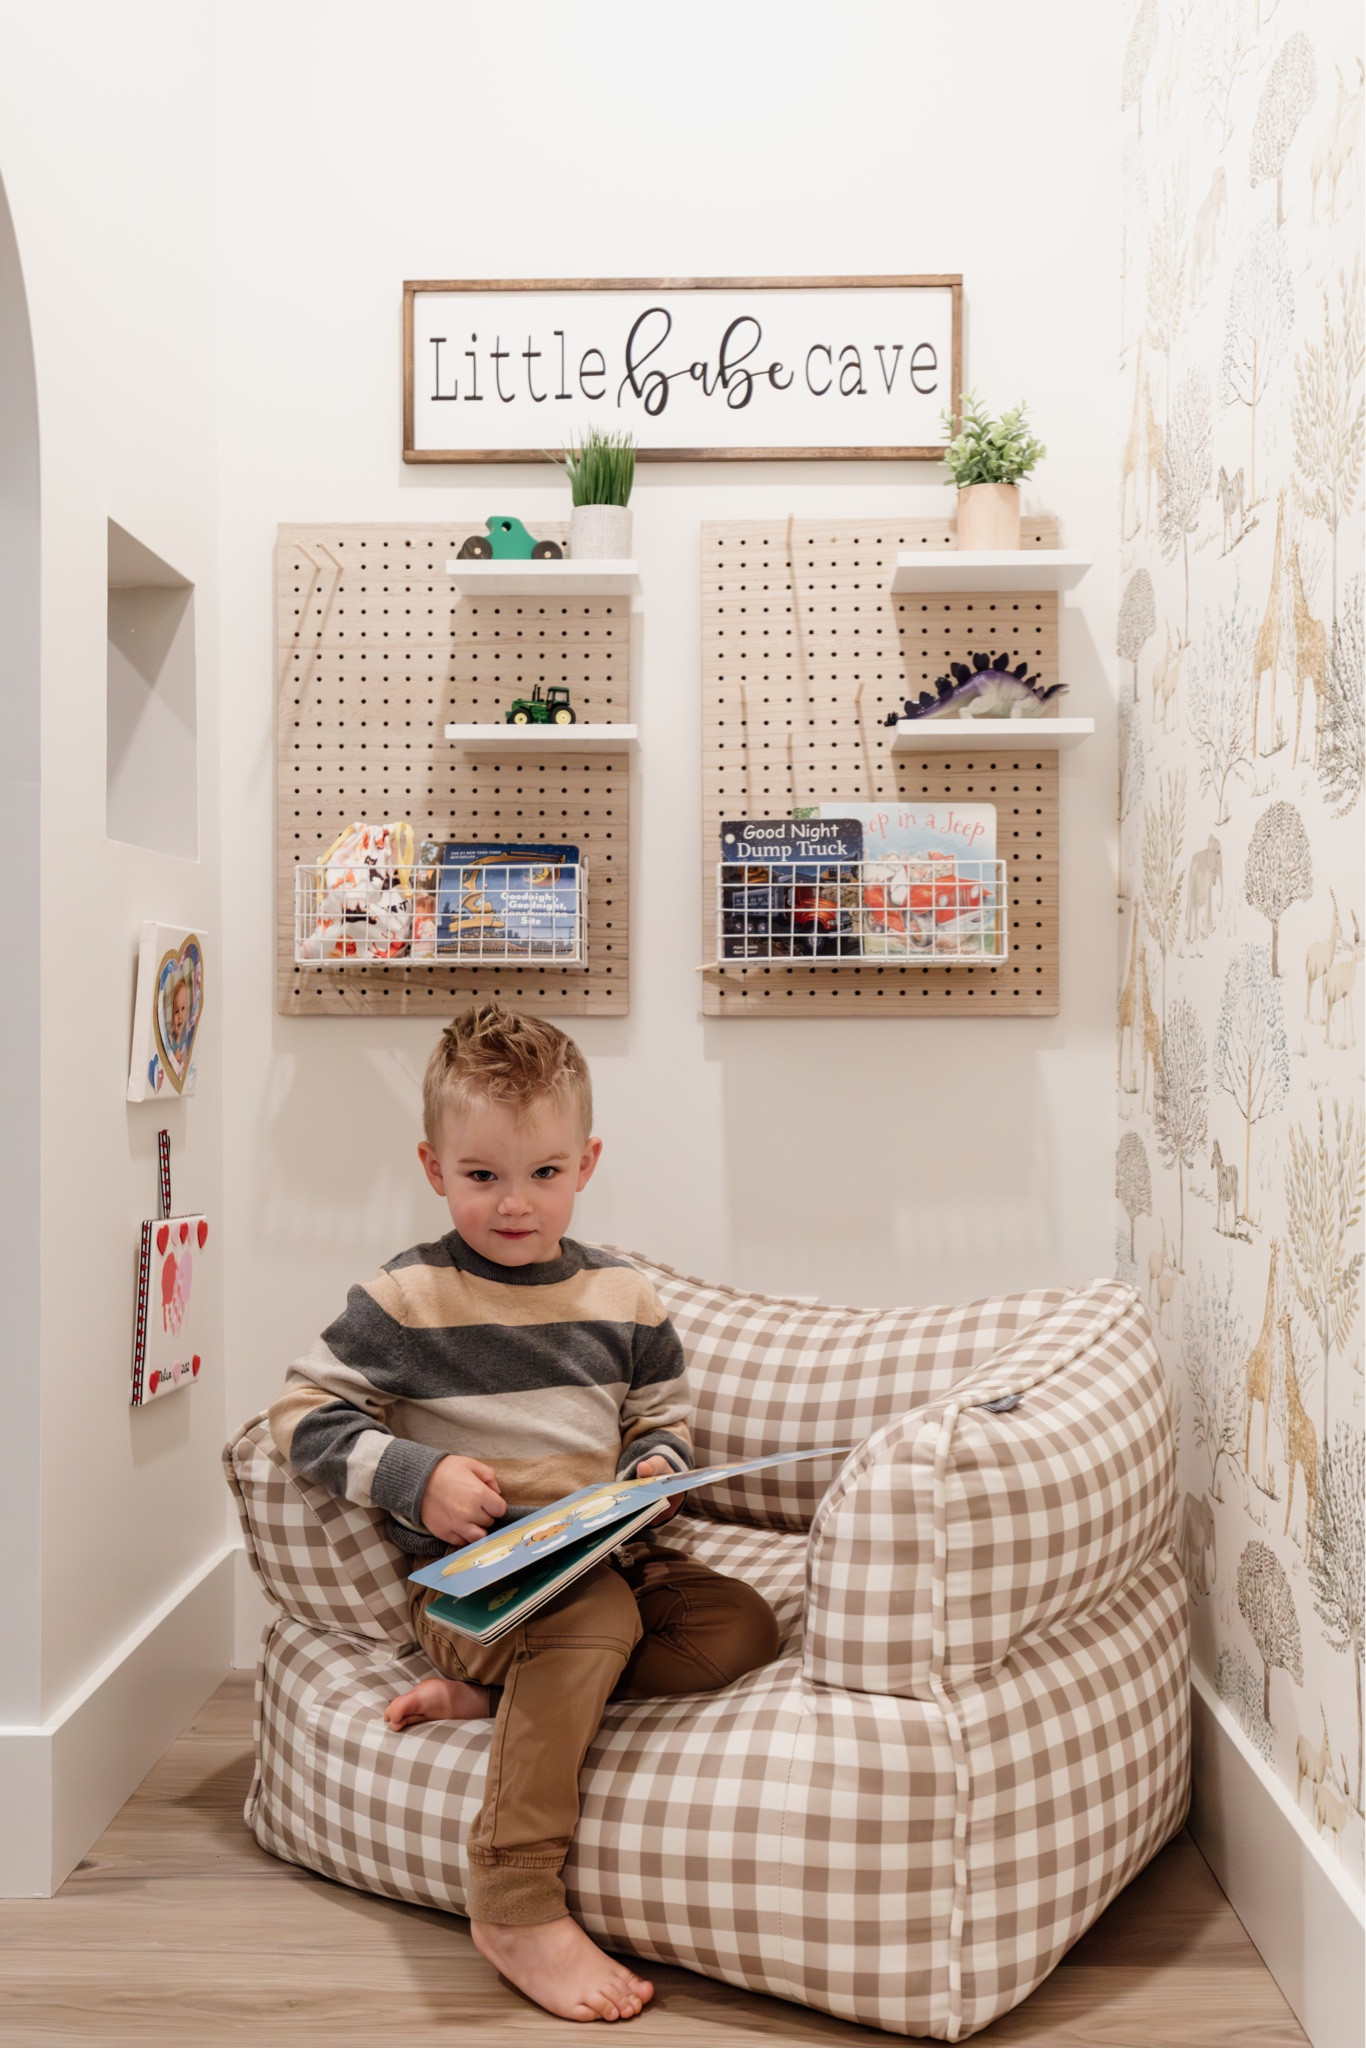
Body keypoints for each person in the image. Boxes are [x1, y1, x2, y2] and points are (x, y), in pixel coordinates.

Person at [268, 1000, 779, 2023]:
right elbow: (299, 1414)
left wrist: (654, 1469)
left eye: (543, 1173)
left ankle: (513, 1702)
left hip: (609, 1560)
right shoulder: (406, 1300)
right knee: (587, 1622)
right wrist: (419, 1476)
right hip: (480, 1591)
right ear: (432, 1168)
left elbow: (660, 1415)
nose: (515, 1205)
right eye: (483, 1176)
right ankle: (511, 1895)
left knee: (741, 1625)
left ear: (585, 1163)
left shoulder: (624, 1297)